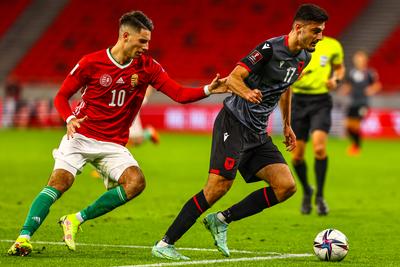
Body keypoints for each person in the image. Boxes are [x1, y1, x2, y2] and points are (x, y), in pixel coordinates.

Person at [8, 10, 227, 256]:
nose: (146, 47)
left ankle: (76, 219)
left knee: (136, 183)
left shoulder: (148, 67)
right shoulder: (91, 62)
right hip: (80, 136)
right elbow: (61, 96)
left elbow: (179, 94)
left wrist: (209, 89)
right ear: (125, 36)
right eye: (142, 41)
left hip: (113, 144)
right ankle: (23, 238)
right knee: (60, 182)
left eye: (148, 42)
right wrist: (69, 118)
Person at [152, 3, 328, 260]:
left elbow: (286, 87)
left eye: (321, 31)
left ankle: (222, 220)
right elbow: (233, 77)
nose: (320, 37)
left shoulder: (304, 57)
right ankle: (165, 243)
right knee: (217, 188)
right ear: (298, 28)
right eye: (315, 31)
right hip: (233, 123)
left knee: (286, 186)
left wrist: (287, 124)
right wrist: (246, 92)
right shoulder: (269, 49)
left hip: (257, 132)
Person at [290, 36, 345, 216]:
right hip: (297, 101)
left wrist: (335, 80)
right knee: (297, 156)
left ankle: (320, 196)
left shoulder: (332, 45)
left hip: (320, 101)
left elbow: (339, 68)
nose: (318, 32)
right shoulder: (295, 44)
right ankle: (307, 190)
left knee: (319, 148)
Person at [342, 50, 381, 155]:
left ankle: (357, 147)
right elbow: (348, 85)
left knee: (355, 125)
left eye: (360, 59)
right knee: (347, 125)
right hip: (353, 102)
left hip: (363, 103)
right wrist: (345, 89)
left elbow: (377, 85)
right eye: (357, 59)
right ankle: (355, 144)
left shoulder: (370, 73)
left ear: (365, 61)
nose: (358, 61)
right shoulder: (352, 73)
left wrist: (371, 89)